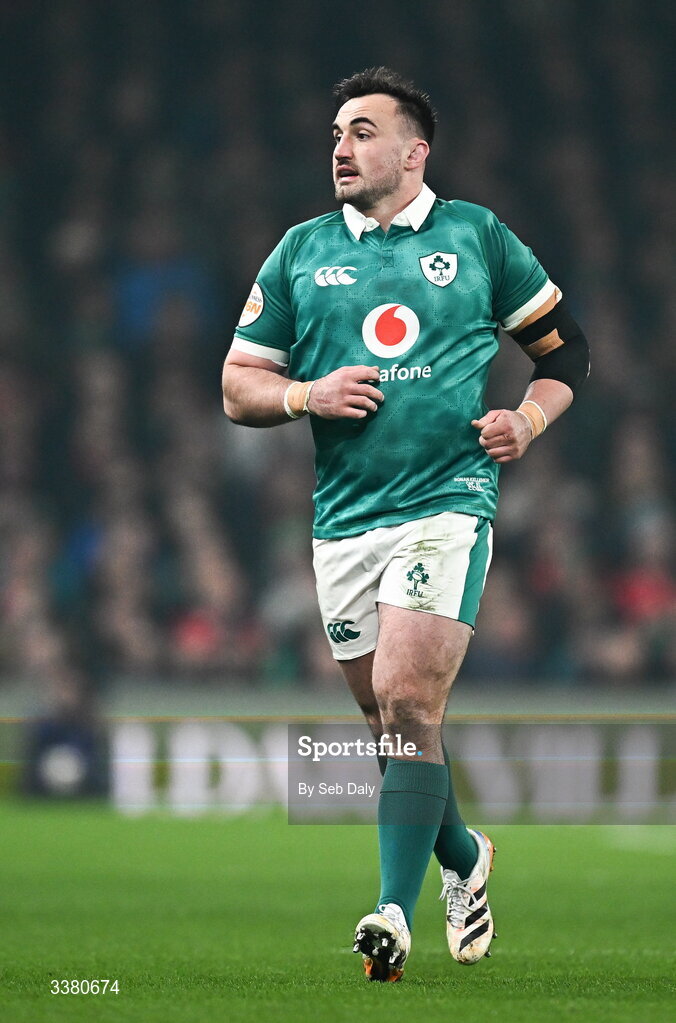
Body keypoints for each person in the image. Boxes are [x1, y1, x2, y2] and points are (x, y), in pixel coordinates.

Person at [222, 67, 589, 982]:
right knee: (389, 723)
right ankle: (464, 856)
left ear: (414, 151)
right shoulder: (301, 251)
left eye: (361, 130)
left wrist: (528, 419)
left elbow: (563, 349)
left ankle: (393, 910)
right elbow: (238, 385)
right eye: (335, 133)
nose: (339, 147)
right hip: (344, 521)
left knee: (409, 701)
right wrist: (307, 392)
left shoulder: (477, 237)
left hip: (448, 503)